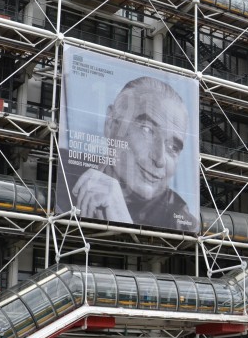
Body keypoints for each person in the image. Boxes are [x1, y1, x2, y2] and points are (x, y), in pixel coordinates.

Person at [66, 76, 198, 231]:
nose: (160, 160)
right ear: (111, 124)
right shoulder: (65, 171)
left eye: (173, 147)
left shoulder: (182, 223)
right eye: (147, 130)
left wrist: (123, 222)